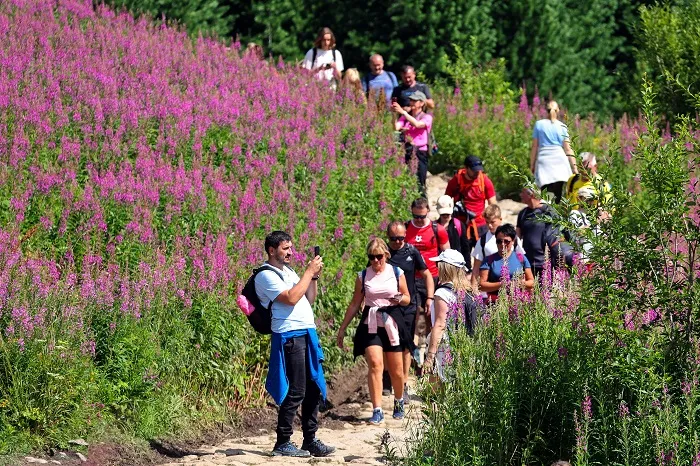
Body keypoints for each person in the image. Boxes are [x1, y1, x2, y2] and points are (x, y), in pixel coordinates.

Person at [255, 231, 335, 458]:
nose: (290, 252)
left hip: (306, 332)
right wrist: (308, 272)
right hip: (289, 335)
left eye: (291, 248)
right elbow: (290, 298)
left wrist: (314, 277)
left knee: (312, 388)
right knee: (297, 389)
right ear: (272, 250)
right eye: (285, 248)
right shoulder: (265, 275)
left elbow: (308, 298)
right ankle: (282, 441)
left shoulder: (289, 271)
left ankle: (310, 440)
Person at [336, 239, 412, 424]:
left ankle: (398, 402)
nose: (376, 261)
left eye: (379, 257)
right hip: (370, 321)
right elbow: (355, 303)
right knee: (375, 365)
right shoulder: (363, 276)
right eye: (372, 257)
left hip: (392, 320)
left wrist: (398, 297)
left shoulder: (396, 273)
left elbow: (408, 298)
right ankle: (377, 409)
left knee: (396, 370)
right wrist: (343, 328)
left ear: (386, 255)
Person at [386, 221, 433, 396]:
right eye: (393, 239)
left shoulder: (412, 252)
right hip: (387, 306)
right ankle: (387, 378)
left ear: (406, 235)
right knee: (388, 344)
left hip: (409, 304)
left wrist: (429, 297)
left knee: (406, 345)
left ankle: (403, 383)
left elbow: (427, 274)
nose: (398, 242)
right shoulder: (383, 253)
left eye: (401, 238)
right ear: (387, 237)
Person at [423, 249, 471, 382]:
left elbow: (439, 325)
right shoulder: (468, 290)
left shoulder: (442, 293)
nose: (437, 268)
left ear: (445, 268)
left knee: (439, 392)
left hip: (446, 348)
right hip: (466, 345)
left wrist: (430, 357)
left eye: (439, 264)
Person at [405, 198, 450, 324]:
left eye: (422, 216)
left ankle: (430, 342)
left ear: (428, 211)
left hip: (433, 276)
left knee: (431, 313)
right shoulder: (406, 228)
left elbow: (447, 256)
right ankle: (413, 342)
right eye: (416, 216)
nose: (419, 220)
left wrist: (445, 277)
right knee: (413, 314)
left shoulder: (438, 229)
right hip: (411, 277)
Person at [471, 204, 526, 293]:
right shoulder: (482, 241)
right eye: (487, 222)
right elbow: (476, 268)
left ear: (500, 219)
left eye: (493, 222)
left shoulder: (513, 238)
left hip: (514, 291)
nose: (489, 225)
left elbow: (522, 261)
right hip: (490, 290)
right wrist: (473, 290)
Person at [530, 100, 578, 203]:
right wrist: (575, 167)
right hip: (559, 160)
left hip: (544, 160)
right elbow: (568, 149)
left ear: (546, 111)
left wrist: (532, 164)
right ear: (558, 111)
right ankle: (556, 214)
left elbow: (534, 146)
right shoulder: (562, 126)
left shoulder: (539, 125)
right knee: (558, 192)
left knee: (546, 192)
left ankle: (547, 213)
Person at [445, 155, 498, 242]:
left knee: (482, 253)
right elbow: (445, 201)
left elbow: (493, 204)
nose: (477, 172)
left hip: (481, 224)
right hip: (461, 224)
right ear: (466, 168)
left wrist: (494, 224)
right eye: (474, 170)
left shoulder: (484, 180)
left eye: (478, 170)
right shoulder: (456, 181)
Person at [516, 188, 566, 277]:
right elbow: (518, 237)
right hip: (528, 262)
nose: (520, 195)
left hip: (546, 261)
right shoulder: (523, 213)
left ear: (531, 195)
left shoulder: (548, 211)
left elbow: (560, 232)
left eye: (522, 192)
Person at [479, 224, 535, 302]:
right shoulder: (489, 260)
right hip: (496, 304)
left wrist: (519, 283)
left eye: (506, 241)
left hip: (518, 303)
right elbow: (482, 285)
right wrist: (502, 284)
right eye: (499, 241)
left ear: (513, 241)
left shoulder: (521, 258)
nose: (502, 244)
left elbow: (532, 282)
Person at [393, 91, 433, 194]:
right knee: (405, 178)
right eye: (411, 100)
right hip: (407, 150)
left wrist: (404, 113)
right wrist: (394, 114)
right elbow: (395, 127)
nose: (412, 102)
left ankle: (422, 205)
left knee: (420, 181)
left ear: (422, 103)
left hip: (420, 152)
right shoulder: (405, 117)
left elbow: (418, 124)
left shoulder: (427, 117)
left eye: (415, 101)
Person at [435, 195, 471, 269]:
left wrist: (468, 268)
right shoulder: (434, 227)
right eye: (443, 214)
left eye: (447, 214)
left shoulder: (459, 225)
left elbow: (465, 248)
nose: (445, 216)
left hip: (457, 265)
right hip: (440, 266)